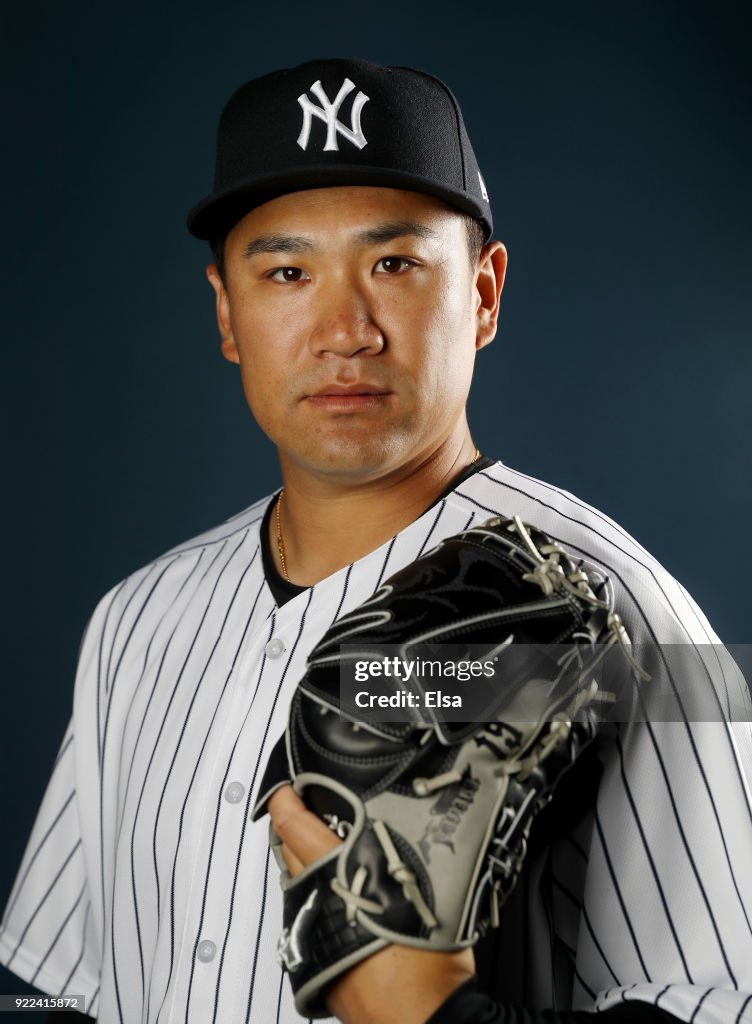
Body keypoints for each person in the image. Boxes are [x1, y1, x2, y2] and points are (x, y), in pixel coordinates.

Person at [0, 57, 750, 1024]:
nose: (344, 330)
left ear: (483, 293)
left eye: (395, 264)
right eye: (286, 272)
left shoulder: (631, 620)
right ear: (228, 313)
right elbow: (70, 994)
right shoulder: (136, 622)